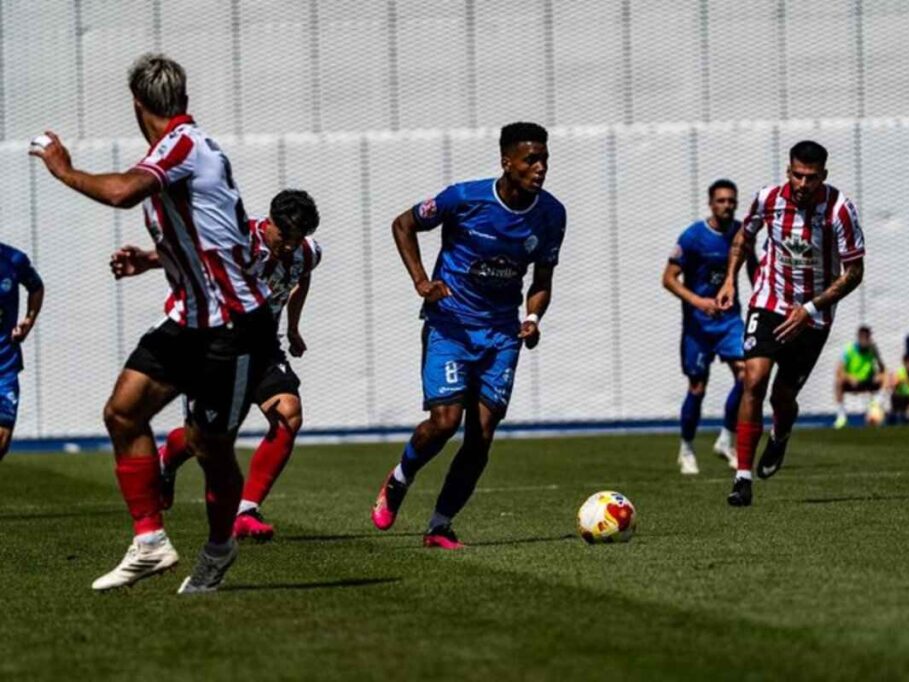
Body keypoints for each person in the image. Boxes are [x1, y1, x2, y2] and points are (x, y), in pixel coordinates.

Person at [30, 53, 276, 593]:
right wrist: (151, 260)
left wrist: (64, 169)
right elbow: (212, 234)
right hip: (189, 319)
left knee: (210, 446)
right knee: (123, 413)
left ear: (137, 105)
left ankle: (217, 550)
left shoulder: (182, 146)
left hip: (232, 327)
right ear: (182, 97)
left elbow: (121, 192)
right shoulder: (182, 149)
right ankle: (150, 543)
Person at [371, 121, 566, 549]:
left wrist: (533, 317)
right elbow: (402, 224)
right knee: (444, 422)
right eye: (531, 159)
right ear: (507, 161)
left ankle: (439, 525)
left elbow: (542, 279)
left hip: (501, 334)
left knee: (481, 435)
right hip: (452, 326)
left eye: (544, 159)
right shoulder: (464, 198)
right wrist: (422, 282)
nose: (540, 168)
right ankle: (400, 478)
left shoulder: (552, 214)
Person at [109, 189, 322, 541]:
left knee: (289, 414)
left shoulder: (306, 252)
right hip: (217, 344)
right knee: (205, 441)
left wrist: (293, 327)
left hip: (264, 347)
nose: (289, 246)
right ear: (269, 223)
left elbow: (302, 276)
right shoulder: (241, 240)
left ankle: (246, 510)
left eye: (298, 239)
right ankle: (167, 458)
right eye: (285, 237)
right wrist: (147, 260)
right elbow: (195, 257)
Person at [715, 140, 865, 507]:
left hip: (812, 316)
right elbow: (743, 237)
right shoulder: (768, 199)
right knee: (754, 380)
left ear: (823, 176)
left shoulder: (839, 210)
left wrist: (810, 308)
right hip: (769, 301)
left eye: (811, 178)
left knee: (783, 397)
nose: (802, 183)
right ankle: (742, 478)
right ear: (788, 171)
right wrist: (730, 278)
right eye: (797, 175)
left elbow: (855, 272)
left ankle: (780, 436)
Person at [662, 179, 752, 474]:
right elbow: (669, 278)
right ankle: (686, 448)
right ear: (711, 203)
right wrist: (698, 301)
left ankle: (726, 438)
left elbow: (754, 269)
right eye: (721, 200)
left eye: (731, 201)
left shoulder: (742, 235)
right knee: (697, 387)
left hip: (730, 321)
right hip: (698, 326)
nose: (727, 205)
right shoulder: (693, 237)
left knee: (747, 374)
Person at [0, 242, 44, 460]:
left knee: (2, 439)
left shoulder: (14, 259)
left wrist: (28, 320)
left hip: (4, 365)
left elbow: (36, 287)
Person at [833, 325, 885, 428]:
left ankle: (875, 406)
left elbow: (882, 369)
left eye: (867, 337)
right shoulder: (849, 350)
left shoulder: (872, 349)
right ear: (858, 337)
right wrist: (849, 377)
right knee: (839, 382)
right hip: (853, 382)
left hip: (868, 380)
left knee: (886, 376)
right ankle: (841, 417)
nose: (865, 340)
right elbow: (839, 371)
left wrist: (877, 355)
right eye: (863, 337)